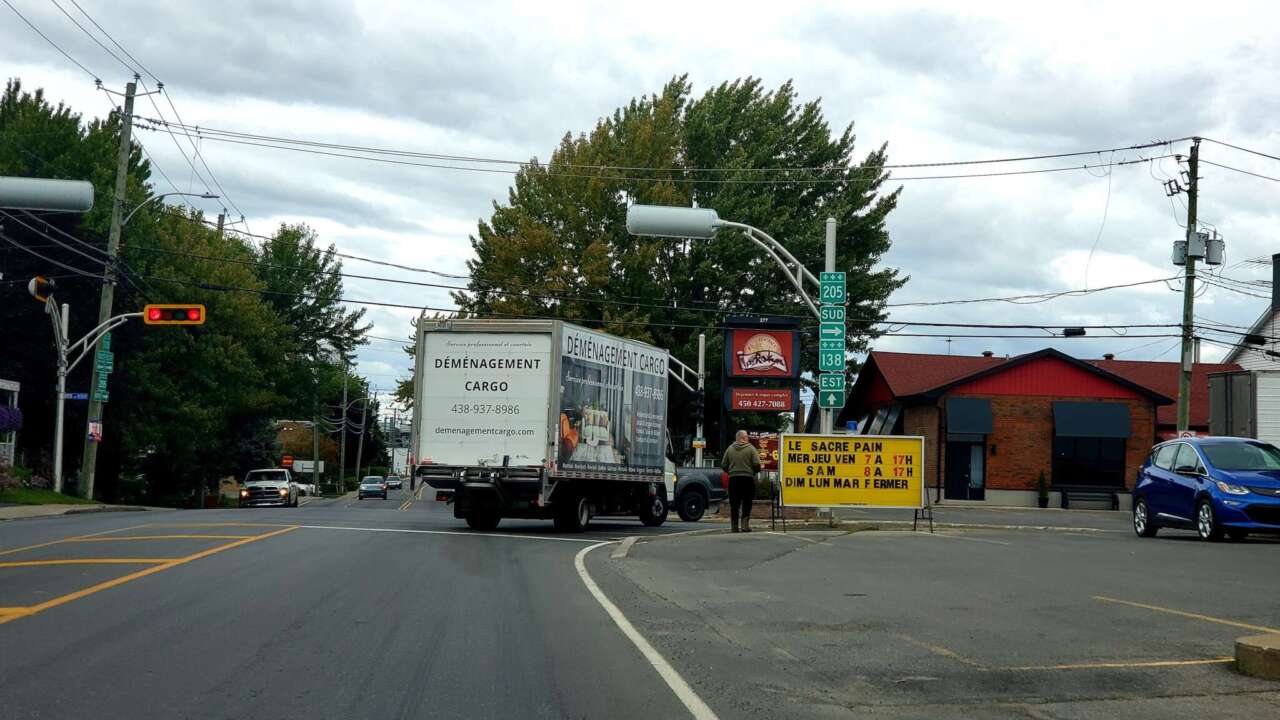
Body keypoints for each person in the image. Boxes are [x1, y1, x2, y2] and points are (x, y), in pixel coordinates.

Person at [721, 430, 762, 533]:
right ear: (742, 438)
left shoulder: (729, 449)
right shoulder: (751, 449)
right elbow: (757, 464)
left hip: (733, 479)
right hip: (747, 479)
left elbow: (724, 465)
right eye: (747, 437)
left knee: (734, 504)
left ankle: (734, 526)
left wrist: (730, 471)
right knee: (747, 503)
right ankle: (745, 525)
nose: (748, 438)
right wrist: (753, 472)